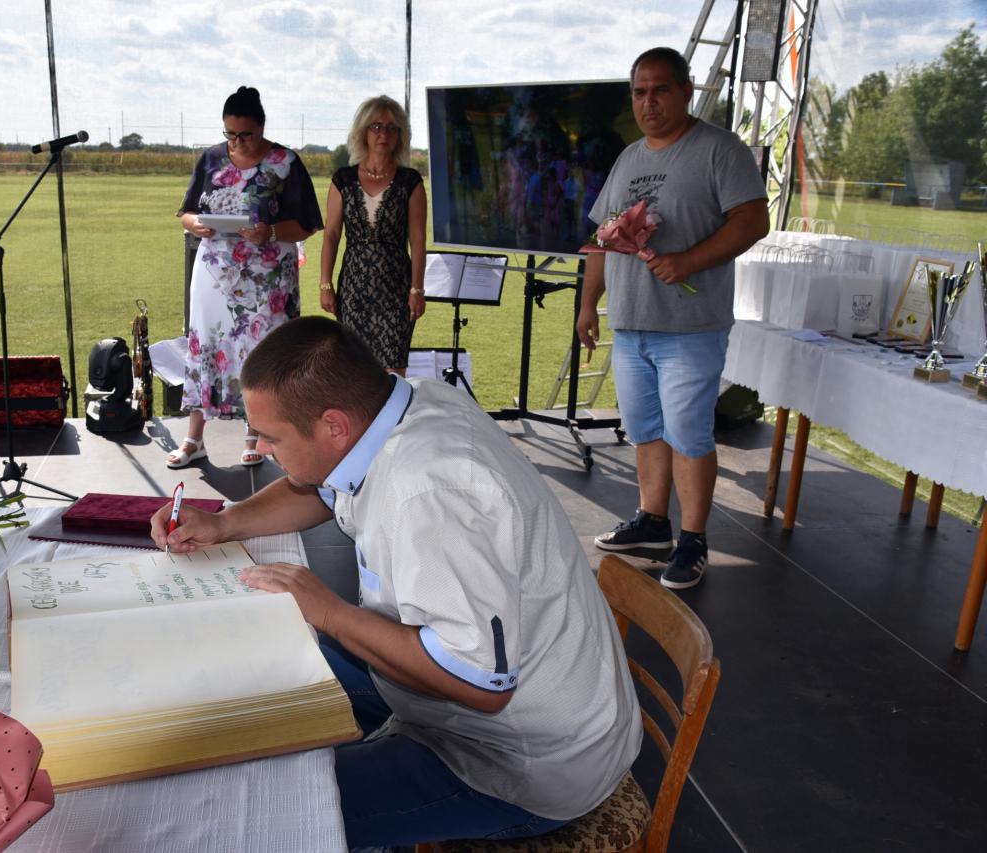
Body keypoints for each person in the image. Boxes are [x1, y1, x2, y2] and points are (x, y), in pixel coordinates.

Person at [152, 317, 641, 848]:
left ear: (333, 426)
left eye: (271, 437)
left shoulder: (432, 491)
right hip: (455, 703)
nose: (262, 448)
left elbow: (480, 686)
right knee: (259, 687)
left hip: (518, 762)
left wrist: (328, 611)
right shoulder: (401, 405)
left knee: (271, 815)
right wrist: (224, 524)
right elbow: (320, 488)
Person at [577, 47, 769, 589]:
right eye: (639, 92)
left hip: (690, 328)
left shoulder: (719, 149)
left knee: (687, 434)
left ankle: (693, 540)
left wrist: (689, 260)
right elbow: (603, 238)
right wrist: (588, 304)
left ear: (686, 91)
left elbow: (754, 220)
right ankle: (653, 523)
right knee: (644, 429)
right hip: (631, 323)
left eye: (660, 89)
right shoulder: (629, 158)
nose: (649, 102)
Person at [171, 86, 323, 468]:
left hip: (267, 278)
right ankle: (194, 438)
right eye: (230, 134)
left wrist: (269, 232)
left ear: (262, 128)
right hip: (214, 273)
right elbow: (185, 212)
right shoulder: (210, 159)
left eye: (245, 135)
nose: (237, 143)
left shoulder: (285, 163)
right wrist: (196, 224)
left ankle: (255, 434)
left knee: (262, 351)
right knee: (205, 345)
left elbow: (307, 224)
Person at [320, 95, 427, 373]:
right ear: (363, 132)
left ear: (400, 136)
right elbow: (331, 235)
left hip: (397, 291)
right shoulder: (342, 180)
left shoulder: (410, 182)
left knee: (393, 374)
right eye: (376, 126)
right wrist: (325, 284)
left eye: (392, 128)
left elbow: (418, 241)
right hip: (353, 289)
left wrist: (417, 289)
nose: (384, 134)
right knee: (353, 371)